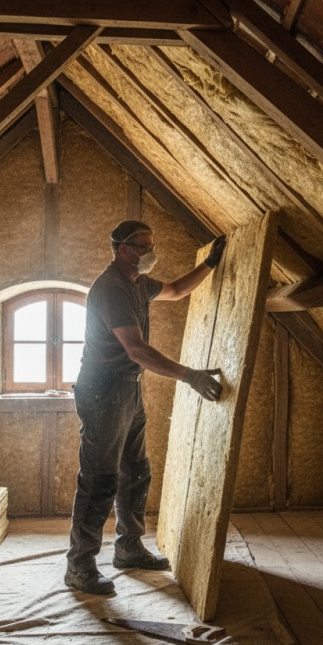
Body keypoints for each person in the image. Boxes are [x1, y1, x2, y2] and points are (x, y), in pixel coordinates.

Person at [65, 220, 227, 595]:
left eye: (151, 245)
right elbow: (136, 349)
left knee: (135, 471)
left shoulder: (138, 283)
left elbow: (174, 290)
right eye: (144, 247)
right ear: (124, 249)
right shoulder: (112, 289)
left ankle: (128, 547)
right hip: (103, 392)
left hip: (127, 390)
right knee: (99, 480)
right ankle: (79, 566)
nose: (151, 253)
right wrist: (190, 376)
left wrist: (210, 265)